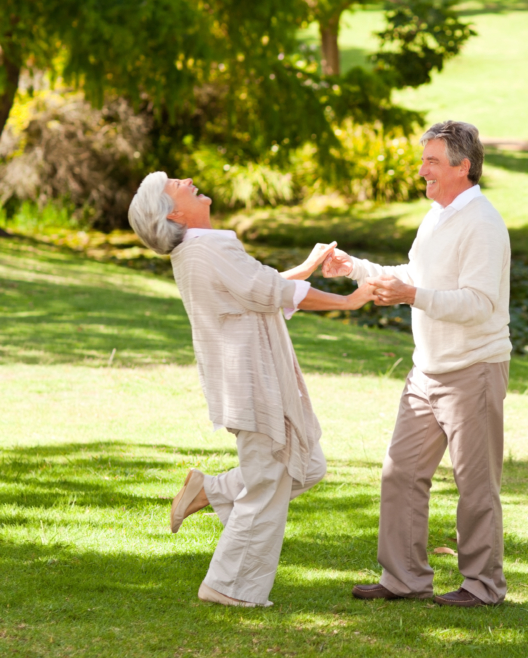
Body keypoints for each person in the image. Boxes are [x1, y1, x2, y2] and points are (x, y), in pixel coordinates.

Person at [127, 172, 375, 608]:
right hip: (253, 381)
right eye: (174, 184)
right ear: (172, 212)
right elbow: (266, 291)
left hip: (246, 378)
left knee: (307, 466)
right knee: (268, 482)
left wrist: (306, 269)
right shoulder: (208, 246)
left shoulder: (197, 251)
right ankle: (228, 587)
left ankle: (211, 491)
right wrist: (348, 301)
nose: (186, 179)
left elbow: (252, 287)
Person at [322, 121, 512, 608]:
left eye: (431, 161)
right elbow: (417, 277)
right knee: (400, 473)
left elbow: (478, 302)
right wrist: (357, 269)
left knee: (475, 485)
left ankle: (482, 587)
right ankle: (404, 578)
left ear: (461, 166)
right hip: (426, 370)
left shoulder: (483, 223)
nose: (421, 169)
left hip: (473, 369)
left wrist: (413, 296)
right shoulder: (437, 215)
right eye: (423, 159)